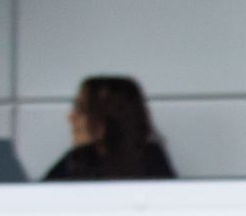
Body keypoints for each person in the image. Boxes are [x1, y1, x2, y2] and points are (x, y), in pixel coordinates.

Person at [43, 75, 177, 181]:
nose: (71, 117)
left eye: (82, 110)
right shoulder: (76, 160)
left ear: (107, 119)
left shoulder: (150, 161)